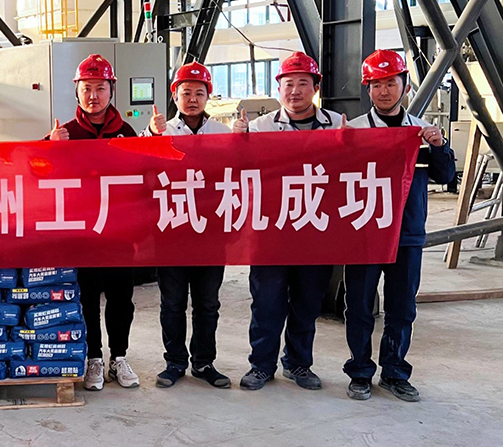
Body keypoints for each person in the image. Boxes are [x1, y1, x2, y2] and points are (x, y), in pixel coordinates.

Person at [343, 50, 455, 402]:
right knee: (359, 306)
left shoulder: (421, 132)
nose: (384, 91)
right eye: (376, 84)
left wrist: (439, 146)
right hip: (364, 232)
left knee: (402, 307)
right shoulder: (354, 131)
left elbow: (445, 176)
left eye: (391, 83)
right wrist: (339, 146)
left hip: (406, 234)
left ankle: (394, 372)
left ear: (405, 86)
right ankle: (360, 372)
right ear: (368, 89)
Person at [233, 52, 346, 391]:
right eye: (288, 84)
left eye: (302, 83)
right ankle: (261, 366)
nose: (295, 91)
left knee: (307, 302)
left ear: (315, 87)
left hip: (315, 228)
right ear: (278, 88)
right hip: (271, 230)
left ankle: (298, 364)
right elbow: (237, 171)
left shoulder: (337, 125)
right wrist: (235, 142)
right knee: (266, 302)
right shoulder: (260, 128)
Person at [47, 53, 139, 391]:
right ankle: (94, 358)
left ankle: (119, 357)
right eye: (87, 88)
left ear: (111, 90)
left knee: (121, 300)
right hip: (82, 235)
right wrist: (49, 148)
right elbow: (34, 172)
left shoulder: (127, 133)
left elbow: (147, 174)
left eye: (100, 88)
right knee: (86, 299)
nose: (93, 96)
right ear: (77, 91)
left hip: (119, 234)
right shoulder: (64, 134)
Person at [141, 62, 232, 389]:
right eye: (185, 93)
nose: (192, 99)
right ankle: (175, 362)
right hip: (173, 230)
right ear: (175, 96)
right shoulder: (161, 132)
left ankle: (204, 362)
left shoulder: (223, 134)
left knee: (208, 304)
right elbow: (139, 164)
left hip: (211, 233)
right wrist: (151, 135)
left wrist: (245, 139)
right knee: (173, 303)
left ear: (208, 96)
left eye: (199, 93)